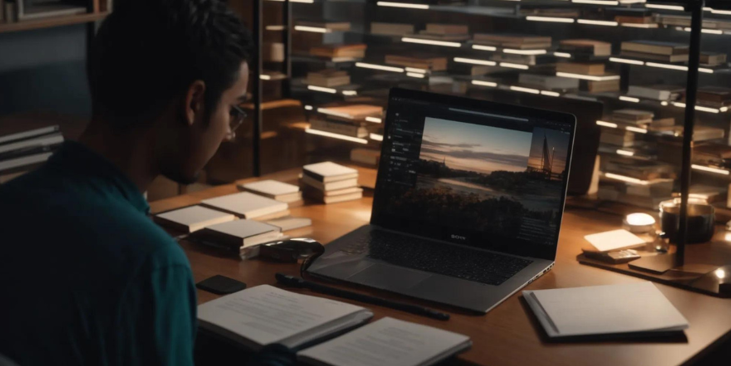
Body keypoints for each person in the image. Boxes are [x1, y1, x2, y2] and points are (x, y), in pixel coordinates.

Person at [0, 0, 251, 364]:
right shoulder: (150, 264)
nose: (228, 132)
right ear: (194, 101)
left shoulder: (8, 204)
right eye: (232, 108)